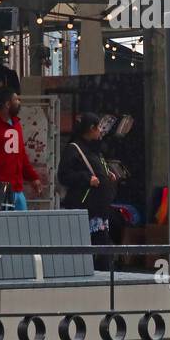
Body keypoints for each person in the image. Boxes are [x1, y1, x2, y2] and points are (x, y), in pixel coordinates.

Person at [57, 113, 122, 270]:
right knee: (94, 244)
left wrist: (108, 173)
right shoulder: (74, 149)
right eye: (98, 128)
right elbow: (63, 176)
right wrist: (86, 179)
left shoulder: (94, 149)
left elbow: (98, 166)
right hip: (85, 207)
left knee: (101, 243)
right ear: (91, 128)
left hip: (99, 208)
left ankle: (103, 274)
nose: (100, 132)